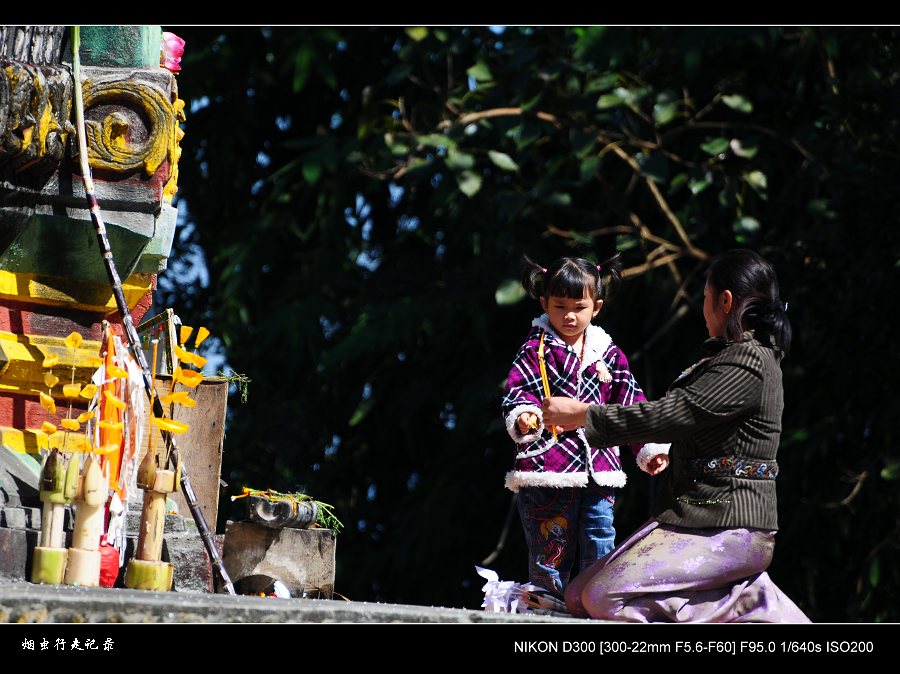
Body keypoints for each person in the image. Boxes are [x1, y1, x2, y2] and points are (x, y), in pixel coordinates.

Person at [541, 249, 810, 622]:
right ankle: (743, 597)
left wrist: (586, 414)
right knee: (577, 596)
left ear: (725, 301)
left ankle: (752, 603)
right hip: (696, 520)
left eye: (705, 298)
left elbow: (673, 414)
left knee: (604, 600)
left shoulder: (749, 361)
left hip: (730, 529)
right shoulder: (730, 358)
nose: (703, 308)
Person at [501, 254, 668, 598]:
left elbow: (631, 402)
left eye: (579, 306)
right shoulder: (535, 351)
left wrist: (648, 448)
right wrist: (524, 417)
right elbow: (517, 392)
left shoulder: (609, 354)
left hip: (599, 468)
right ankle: (544, 612)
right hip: (548, 468)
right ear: (544, 303)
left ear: (597, 307)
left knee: (600, 540)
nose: (569, 315)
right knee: (550, 550)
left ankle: (598, 606)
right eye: (560, 306)